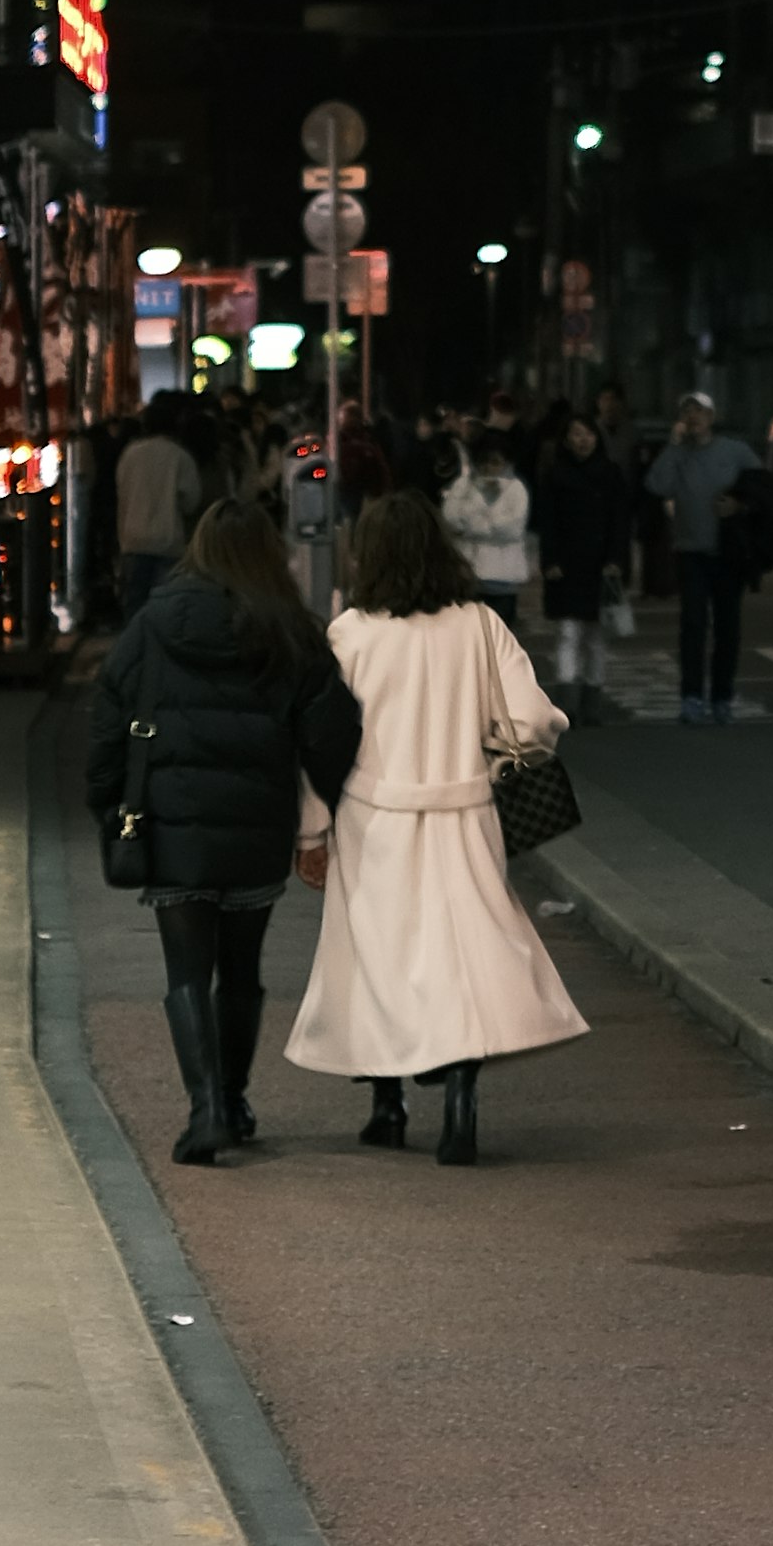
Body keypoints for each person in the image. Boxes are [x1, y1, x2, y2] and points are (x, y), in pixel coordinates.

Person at [285, 485, 588, 1166]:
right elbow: (533, 722)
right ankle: (460, 1095)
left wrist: (310, 832)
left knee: (377, 959)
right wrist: (510, 752)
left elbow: (320, 740)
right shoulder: (479, 625)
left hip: (373, 815)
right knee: (462, 956)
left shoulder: (350, 633)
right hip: (464, 809)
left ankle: (387, 1105)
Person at [85, 493, 362, 1163]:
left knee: (186, 970)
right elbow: (333, 731)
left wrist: (108, 802)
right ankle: (235, 1100)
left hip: (172, 824)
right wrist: (332, 809)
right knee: (241, 971)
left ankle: (203, 1107)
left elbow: (107, 717)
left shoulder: (155, 624)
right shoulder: (289, 629)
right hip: (257, 824)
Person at [647, 394, 763, 715]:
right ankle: (691, 695)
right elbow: (657, 484)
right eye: (687, 412)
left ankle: (722, 695)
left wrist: (740, 504)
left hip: (729, 552)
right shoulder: (678, 454)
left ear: (712, 416)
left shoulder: (734, 451)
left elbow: (765, 488)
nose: (693, 417)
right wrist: (673, 445)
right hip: (690, 551)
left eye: (699, 411)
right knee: (693, 623)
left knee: (727, 624)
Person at [527, 410, 639, 707]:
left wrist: (617, 560)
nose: (583, 440)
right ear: (565, 440)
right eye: (576, 434)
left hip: (601, 564)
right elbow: (547, 522)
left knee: (595, 635)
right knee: (568, 632)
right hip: (566, 564)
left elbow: (620, 522)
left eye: (587, 433)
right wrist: (549, 560)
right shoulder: (554, 475)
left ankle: (592, 698)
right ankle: (567, 699)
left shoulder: (611, 473)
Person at [113, 392, 205, 603]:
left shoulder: (130, 453)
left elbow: (121, 491)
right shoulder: (180, 456)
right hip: (168, 542)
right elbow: (191, 501)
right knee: (165, 606)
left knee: (135, 605)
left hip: (132, 540)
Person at [448, 423, 537, 612]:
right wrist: (486, 522)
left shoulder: (516, 489)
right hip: (468, 573)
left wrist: (475, 522)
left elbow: (512, 529)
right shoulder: (463, 485)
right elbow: (452, 519)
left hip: (503, 577)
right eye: (483, 462)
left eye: (495, 462)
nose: (488, 468)